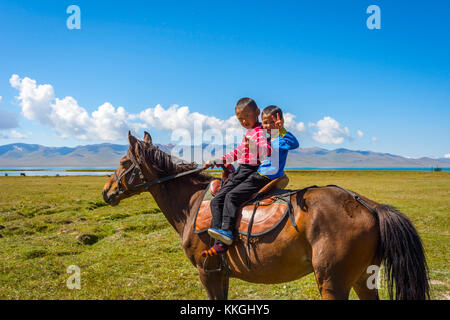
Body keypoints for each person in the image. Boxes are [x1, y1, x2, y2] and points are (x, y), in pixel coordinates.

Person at [201, 97, 271, 257]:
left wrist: (252, 146)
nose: (244, 121)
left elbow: (266, 151)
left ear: (258, 113)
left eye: (247, 116)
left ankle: (225, 236)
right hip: (242, 169)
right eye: (240, 119)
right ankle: (218, 233)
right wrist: (216, 161)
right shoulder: (249, 133)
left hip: (250, 170)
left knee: (227, 198)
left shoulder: (260, 132)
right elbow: (237, 153)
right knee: (217, 200)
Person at [258, 105, 299, 181]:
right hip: (261, 173)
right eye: (265, 122)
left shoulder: (281, 140)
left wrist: (282, 129)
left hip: (268, 175)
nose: (269, 125)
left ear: (280, 121)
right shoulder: (266, 140)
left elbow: (294, 144)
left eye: (273, 122)